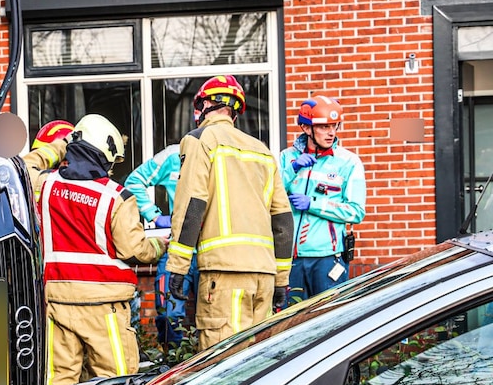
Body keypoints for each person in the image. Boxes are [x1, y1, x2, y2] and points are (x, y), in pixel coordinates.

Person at [23, 114, 167, 385]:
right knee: (115, 384)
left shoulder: (45, 184)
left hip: (57, 302)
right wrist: (159, 245)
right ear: (104, 154)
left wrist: (58, 146)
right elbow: (135, 251)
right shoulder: (117, 196)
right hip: (105, 308)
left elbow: (22, 167)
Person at [166, 75, 294, 351]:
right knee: (258, 363)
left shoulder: (201, 139)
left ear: (209, 104)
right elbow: (283, 220)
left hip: (224, 276)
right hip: (264, 276)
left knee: (222, 367)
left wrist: (177, 266)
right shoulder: (263, 151)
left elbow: (192, 206)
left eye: (199, 105)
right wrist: (282, 279)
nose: (196, 113)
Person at [279, 95, 366, 302]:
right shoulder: (287, 157)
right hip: (292, 258)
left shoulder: (349, 162)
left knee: (329, 317)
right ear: (306, 128)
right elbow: (268, 196)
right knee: (290, 320)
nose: (331, 132)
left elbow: (356, 211)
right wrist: (292, 169)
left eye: (334, 126)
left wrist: (313, 204)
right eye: (324, 126)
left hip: (327, 257)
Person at [124, 144, 199, 354]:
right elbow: (134, 181)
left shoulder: (222, 153)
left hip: (210, 251)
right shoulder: (174, 155)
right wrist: (154, 215)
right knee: (168, 314)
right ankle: (172, 363)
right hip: (176, 248)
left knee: (211, 318)